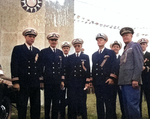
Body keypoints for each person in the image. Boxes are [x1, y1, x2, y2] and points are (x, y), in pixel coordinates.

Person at [11, 28, 41, 119]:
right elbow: (14, 65)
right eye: (30, 36)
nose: (32, 38)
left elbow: (39, 67)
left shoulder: (37, 51)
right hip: (23, 83)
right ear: (25, 37)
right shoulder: (18, 49)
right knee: (22, 106)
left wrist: (40, 81)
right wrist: (15, 82)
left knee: (35, 106)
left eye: (33, 37)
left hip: (34, 83)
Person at [118, 27, 143, 119]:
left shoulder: (135, 46)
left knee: (132, 107)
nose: (125, 37)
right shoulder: (125, 48)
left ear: (131, 36)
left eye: (127, 35)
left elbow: (139, 63)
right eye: (123, 36)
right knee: (126, 108)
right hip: (124, 83)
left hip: (131, 82)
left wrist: (135, 79)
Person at [38, 32, 64, 119]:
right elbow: (40, 67)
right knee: (47, 101)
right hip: (47, 81)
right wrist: (41, 80)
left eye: (55, 40)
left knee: (56, 102)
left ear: (57, 41)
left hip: (57, 81)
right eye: (52, 40)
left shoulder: (60, 52)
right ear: (49, 41)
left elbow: (62, 67)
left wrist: (62, 80)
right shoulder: (44, 52)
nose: (54, 42)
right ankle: (46, 117)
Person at [92, 33, 117, 119]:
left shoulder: (110, 52)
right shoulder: (94, 55)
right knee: (99, 103)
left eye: (101, 40)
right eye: (98, 40)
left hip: (107, 81)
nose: (99, 41)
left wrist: (111, 78)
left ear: (105, 41)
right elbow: (94, 69)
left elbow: (114, 65)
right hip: (98, 82)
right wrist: (92, 81)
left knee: (108, 103)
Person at [66, 38, 90, 119]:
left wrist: (87, 82)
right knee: (72, 101)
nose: (77, 47)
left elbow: (88, 70)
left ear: (81, 46)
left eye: (78, 46)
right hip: (72, 83)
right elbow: (67, 71)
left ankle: (83, 116)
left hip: (81, 83)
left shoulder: (85, 57)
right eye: (75, 46)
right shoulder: (70, 57)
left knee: (82, 101)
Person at [110, 41, 125, 119]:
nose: (115, 48)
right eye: (114, 46)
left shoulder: (122, 57)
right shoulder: (109, 58)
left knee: (122, 99)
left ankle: (124, 115)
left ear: (119, 48)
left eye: (117, 47)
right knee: (112, 100)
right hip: (112, 82)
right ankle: (113, 115)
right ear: (111, 48)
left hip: (121, 82)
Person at [138, 38, 150, 118]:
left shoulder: (149, 55)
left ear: (147, 45)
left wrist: (146, 68)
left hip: (148, 80)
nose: (142, 45)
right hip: (138, 80)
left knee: (149, 99)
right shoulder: (137, 55)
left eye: (144, 44)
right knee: (138, 100)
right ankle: (139, 116)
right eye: (141, 44)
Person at [60, 41, 71, 119]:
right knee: (61, 98)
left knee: (70, 98)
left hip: (70, 81)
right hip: (62, 81)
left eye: (67, 48)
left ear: (69, 49)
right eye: (64, 48)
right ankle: (62, 115)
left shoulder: (71, 58)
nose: (66, 49)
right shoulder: (60, 58)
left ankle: (70, 115)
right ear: (62, 49)